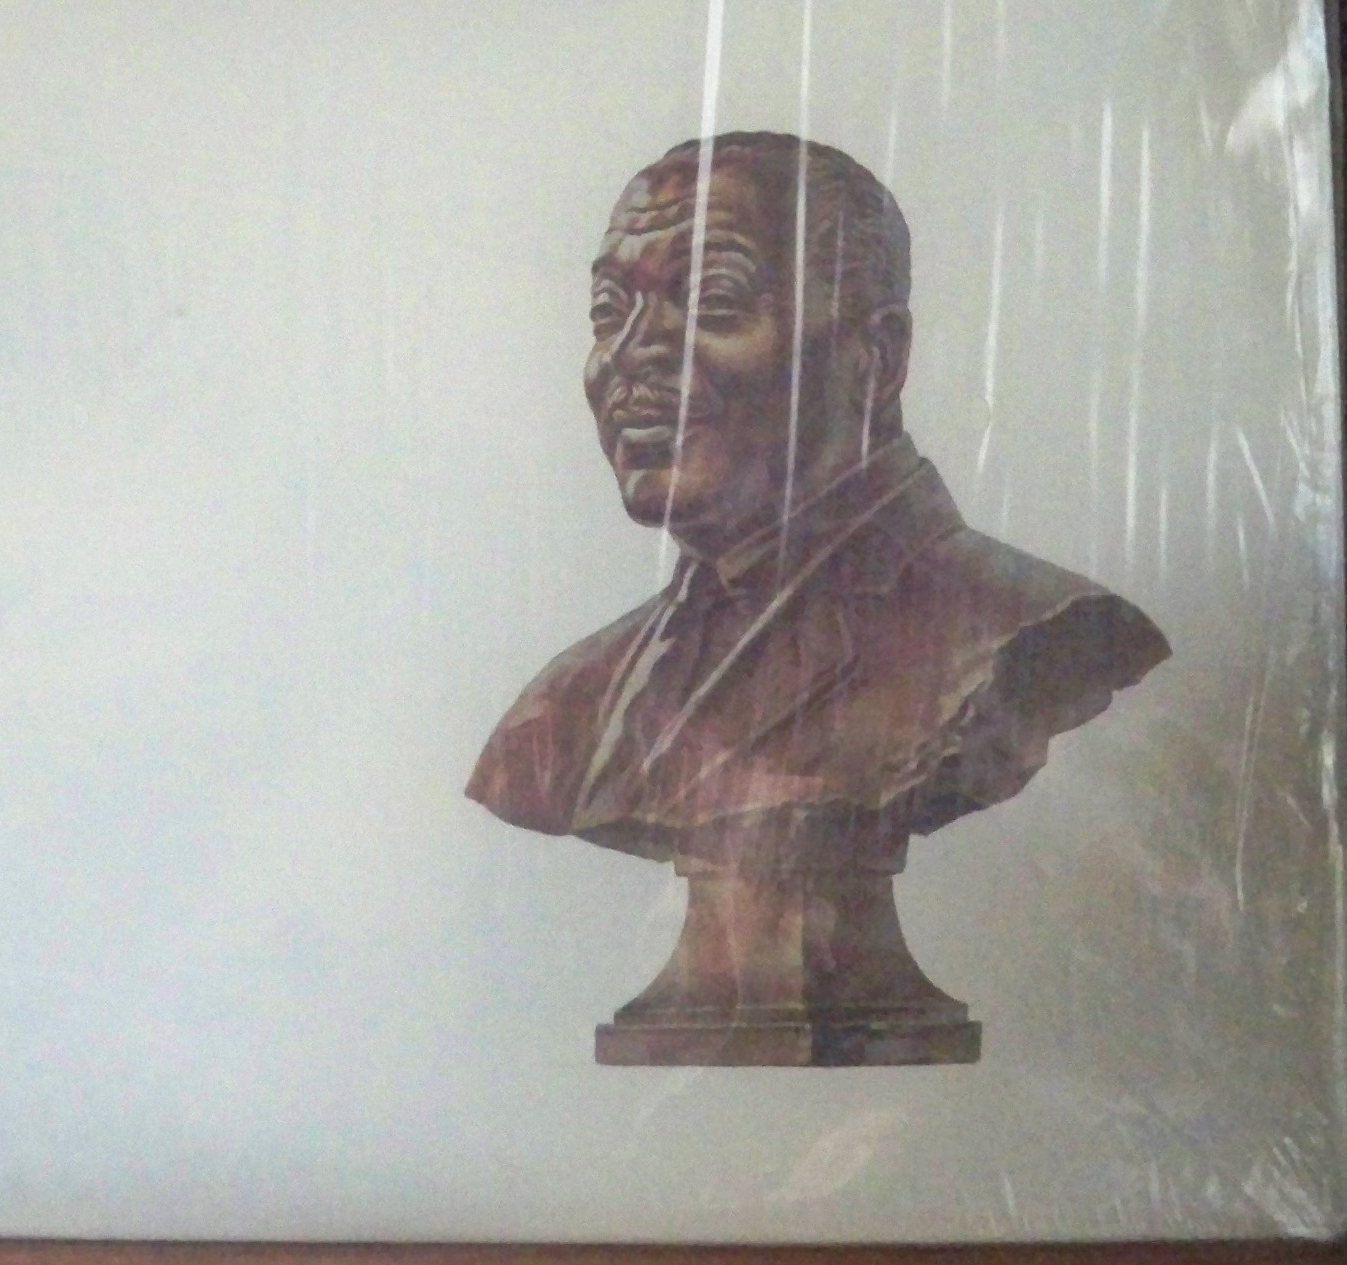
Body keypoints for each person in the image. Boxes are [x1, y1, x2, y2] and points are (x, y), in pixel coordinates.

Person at [466, 132, 1170, 1064]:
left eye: (713, 302)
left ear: (874, 357)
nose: (630, 358)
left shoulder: (1022, 630)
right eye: (610, 312)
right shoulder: (566, 703)